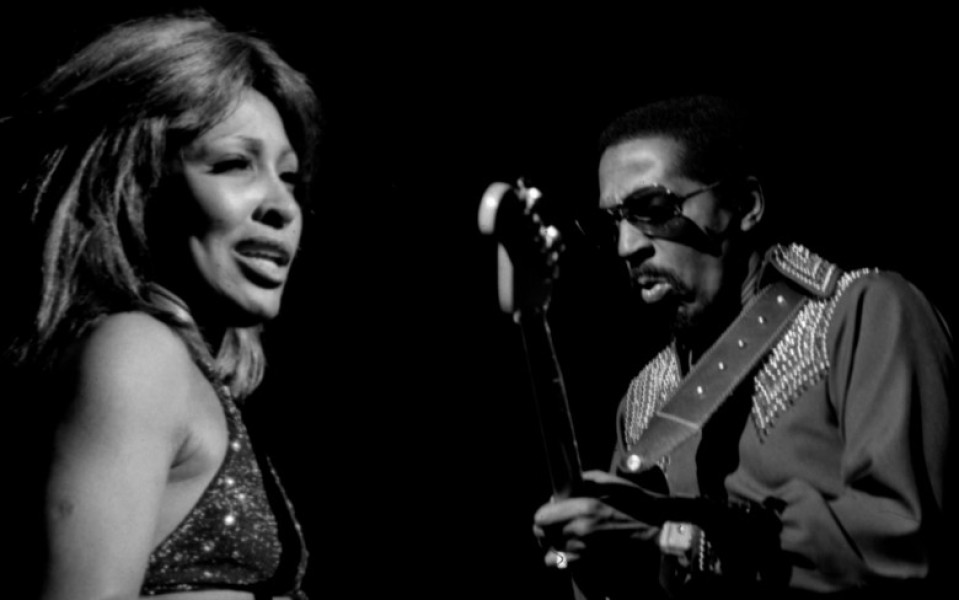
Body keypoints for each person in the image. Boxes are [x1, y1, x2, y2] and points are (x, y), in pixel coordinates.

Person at [531, 95, 954, 598]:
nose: (627, 246)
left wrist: (676, 539)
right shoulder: (644, 398)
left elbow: (901, 544)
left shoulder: (864, 313)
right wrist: (568, 553)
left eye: (652, 209)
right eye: (613, 223)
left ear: (745, 206)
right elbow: (611, 578)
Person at [1, 11, 320, 600]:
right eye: (233, 164)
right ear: (134, 186)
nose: (282, 205)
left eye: (290, 177)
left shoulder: (186, 373)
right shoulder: (136, 353)